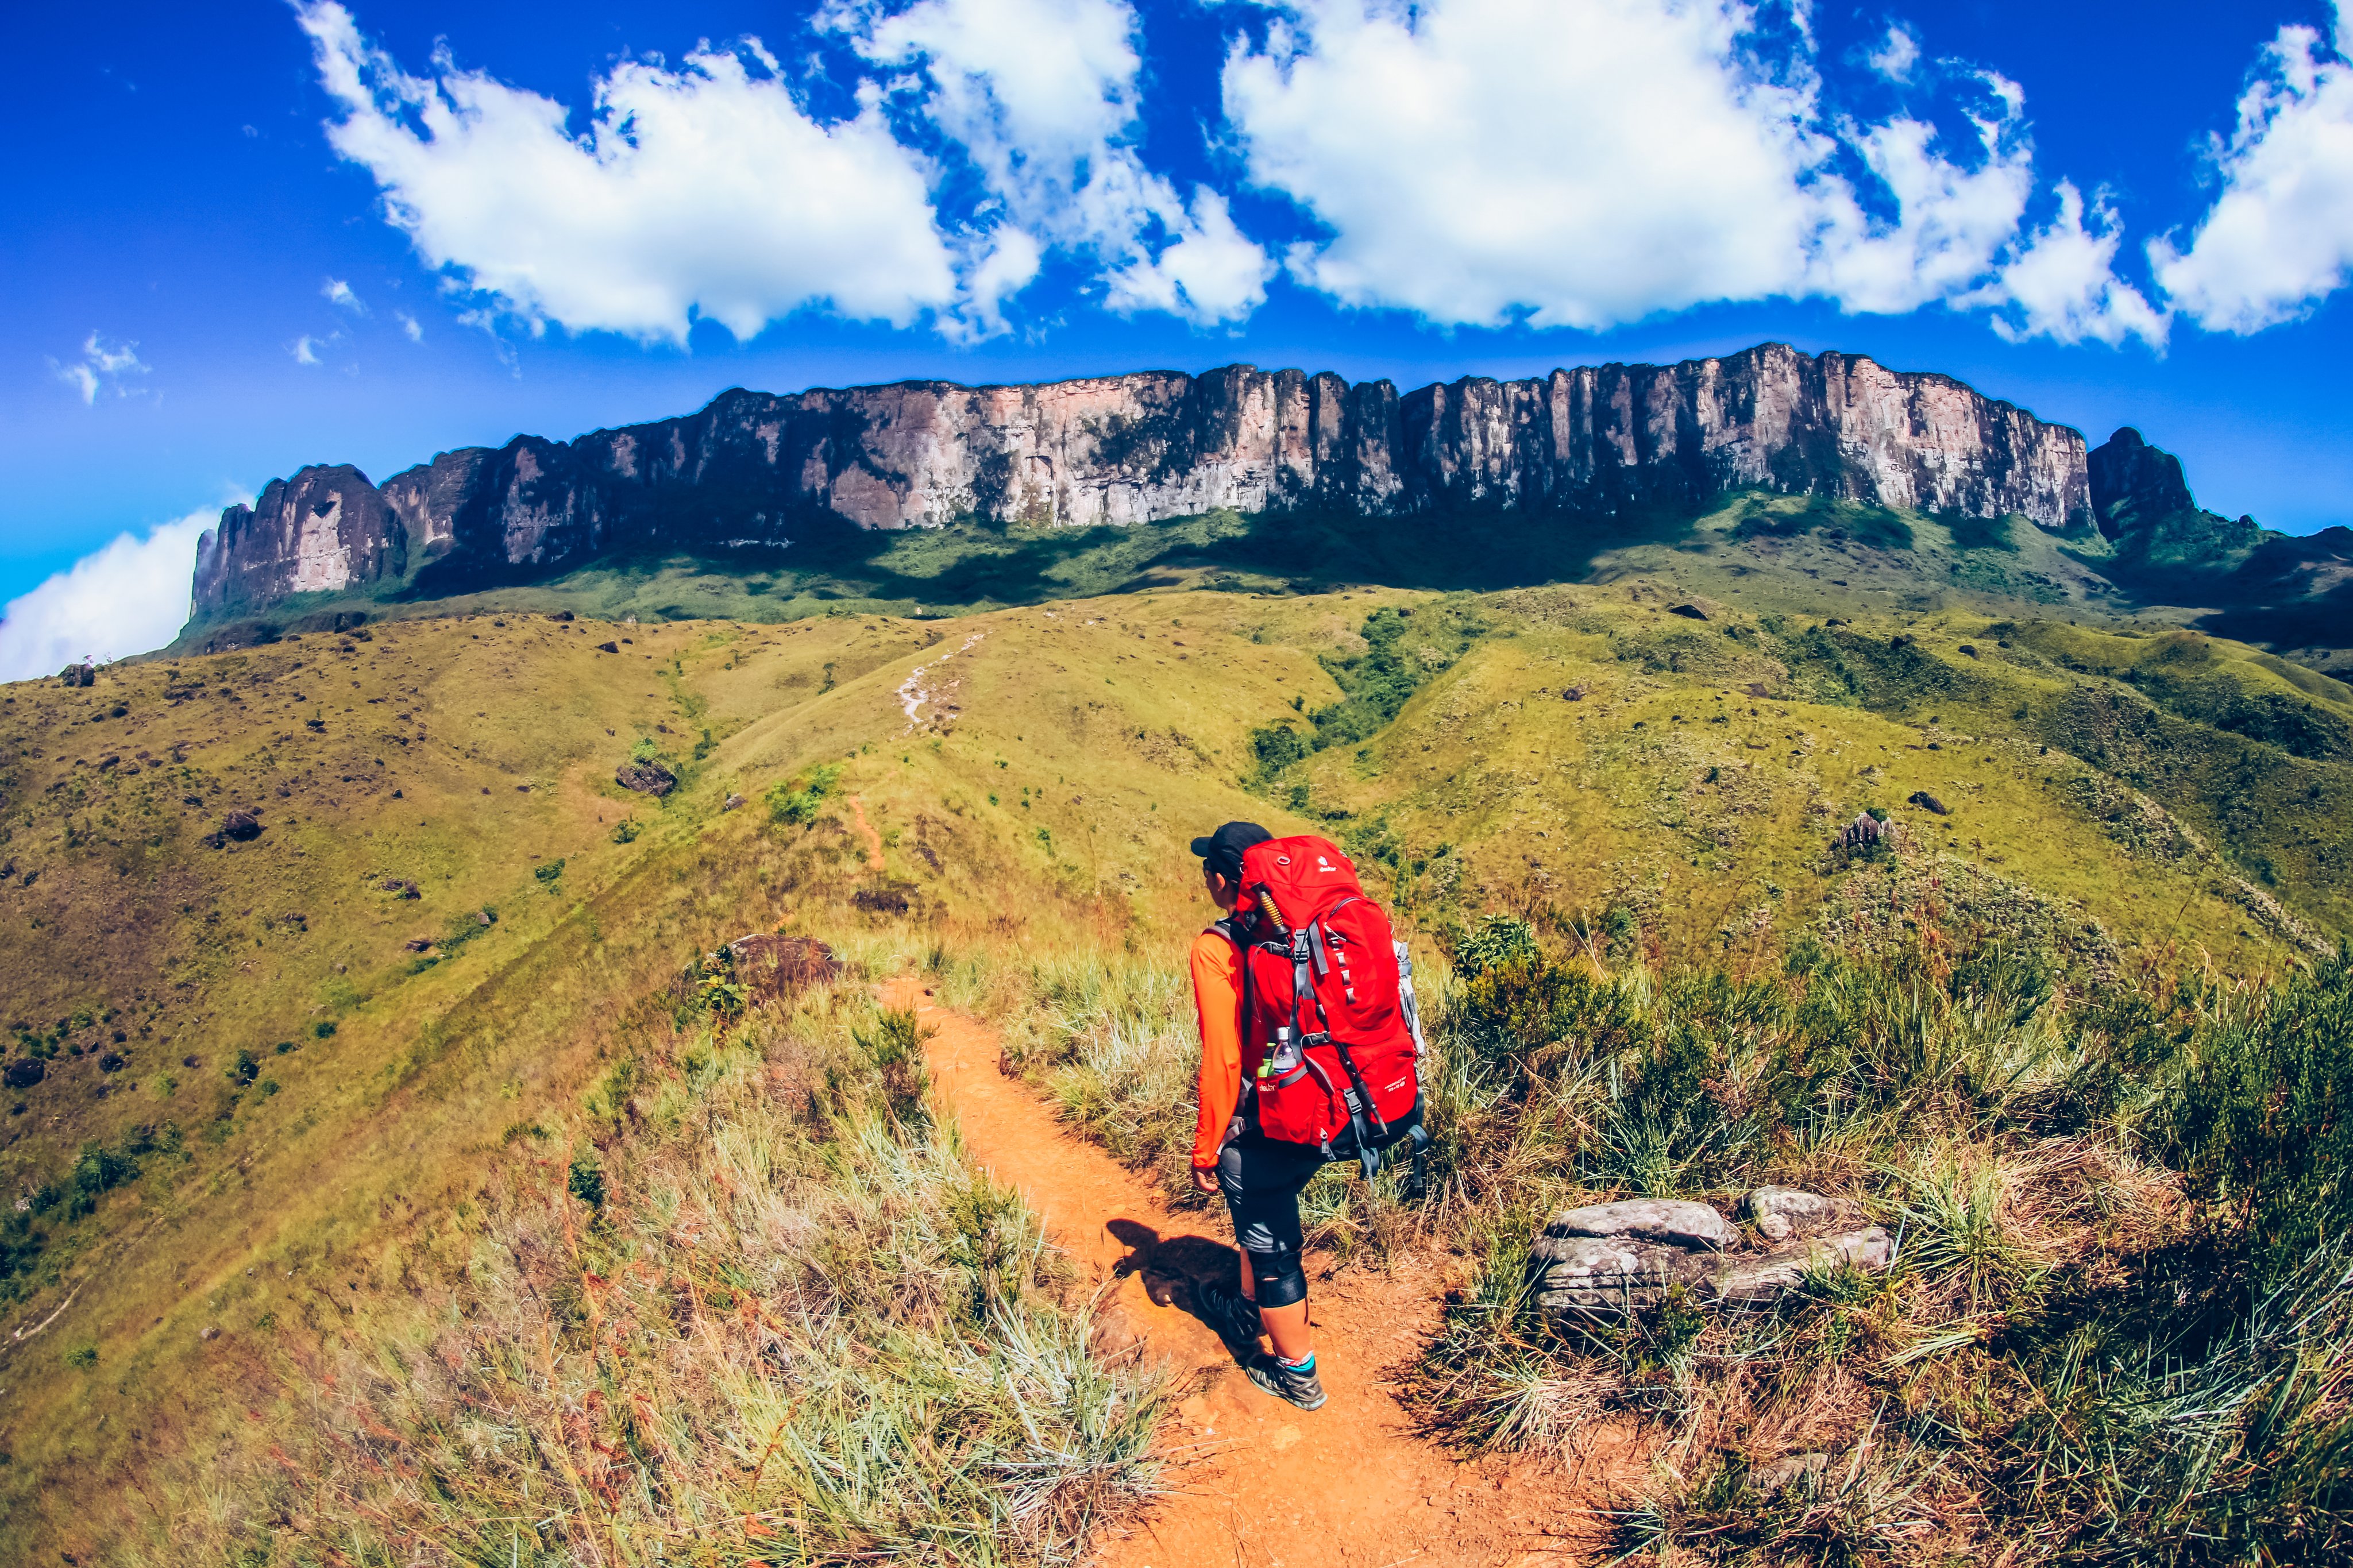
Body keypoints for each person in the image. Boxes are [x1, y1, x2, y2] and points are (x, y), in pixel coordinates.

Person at [1183, 820, 1329, 1412]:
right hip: (1323, 1105)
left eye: (1206, 870)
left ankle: (1298, 1375)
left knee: (1270, 1246)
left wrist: (1205, 1146)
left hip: (1260, 1117)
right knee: (1262, 1216)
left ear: (1222, 880)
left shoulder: (1216, 948)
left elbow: (1222, 1059)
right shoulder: (1304, 930)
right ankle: (1244, 1310)